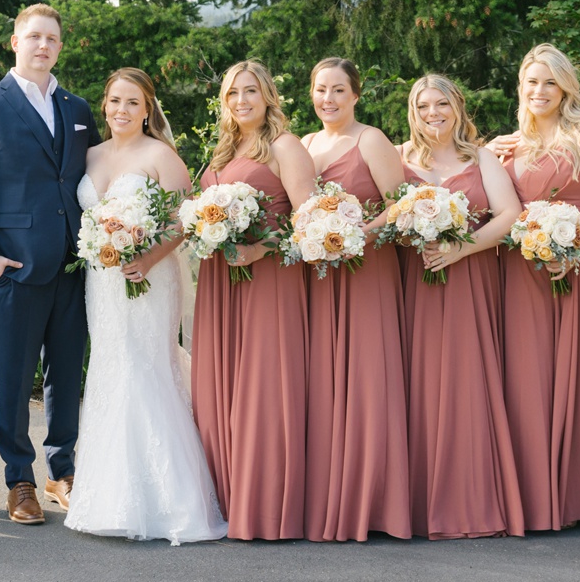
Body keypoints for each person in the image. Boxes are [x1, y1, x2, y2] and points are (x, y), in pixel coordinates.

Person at [64, 68, 227, 545]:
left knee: (145, 366)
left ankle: (171, 504)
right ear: (104, 104)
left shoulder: (161, 156)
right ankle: (107, 497)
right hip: (103, 282)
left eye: (132, 102)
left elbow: (186, 218)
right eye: (114, 100)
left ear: (148, 108)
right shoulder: (90, 154)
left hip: (149, 281)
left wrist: (147, 256)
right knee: (111, 369)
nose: (121, 110)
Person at [0, 3, 98, 524]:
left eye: (51, 39)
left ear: (60, 46)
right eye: (33, 36)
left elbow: (89, 180)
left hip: (74, 266)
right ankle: (20, 479)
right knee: (13, 377)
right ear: (14, 42)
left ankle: (63, 470)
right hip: (13, 267)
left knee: (65, 375)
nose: (42, 46)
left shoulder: (77, 108)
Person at [488, 44, 580, 530]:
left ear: (565, 88)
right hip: (521, 269)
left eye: (549, 82)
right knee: (529, 374)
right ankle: (534, 493)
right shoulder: (508, 145)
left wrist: (574, 254)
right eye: (531, 82)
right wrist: (487, 156)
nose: (539, 91)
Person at [191, 60, 316, 541]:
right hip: (222, 281)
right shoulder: (223, 150)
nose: (241, 101)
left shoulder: (286, 146)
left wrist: (259, 247)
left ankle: (268, 508)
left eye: (249, 91)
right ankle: (228, 498)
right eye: (232, 94)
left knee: (264, 390)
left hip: (269, 280)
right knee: (222, 387)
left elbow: (308, 223)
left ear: (267, 95)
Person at [398, 74, 525, 539]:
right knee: (417, 382)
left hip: (468, 278)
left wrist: (463, 247)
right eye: (424, 105)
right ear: (413, 112)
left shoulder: (481, 157)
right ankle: (416, 500)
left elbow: (510, 213)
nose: (433, 113)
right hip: (414, 282)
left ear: (458, 107)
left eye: (442, 104)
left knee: (467, 381)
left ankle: (469, 499)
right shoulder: (399, 159)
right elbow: (384, 213)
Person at [299, 58, 411, 542]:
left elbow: (403, 202)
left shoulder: (372, 140)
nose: (329, 99)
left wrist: (355, 234)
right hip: (320, 276)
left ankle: (372, 499)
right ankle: (326, 493)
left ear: (356, 94)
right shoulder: (304, 144)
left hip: (366, 271)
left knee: (366, 379)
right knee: (324, 379)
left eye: (339, 90)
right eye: (321, 89)